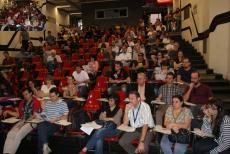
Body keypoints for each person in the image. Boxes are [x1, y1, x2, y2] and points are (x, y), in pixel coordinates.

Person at [3, 88, 41, 154]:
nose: (25, 96)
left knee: (18, 134)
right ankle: (6, 152)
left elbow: (34, 116)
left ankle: (10, 152)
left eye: (26, 94)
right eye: (24, 95)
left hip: (32, 122)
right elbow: (18, 115)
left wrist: (23, 123)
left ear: (31, 93)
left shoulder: (36, 102)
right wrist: (8, 111)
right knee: (10, 133)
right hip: (23, 121)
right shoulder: (22, 102)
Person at [37, 88, 69, 154]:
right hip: (46, 121)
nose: (51, 98)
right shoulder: (48, 103)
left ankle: (45, 146)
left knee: (40, 134)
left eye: (53, 96)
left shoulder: (63, 103)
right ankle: (45, 146)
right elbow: (44, 113)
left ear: (57, 95)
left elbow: (66, 116)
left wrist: (57, 119)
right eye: (50, 96)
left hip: (55, 123)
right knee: (40, 125)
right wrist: (41, 116)